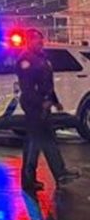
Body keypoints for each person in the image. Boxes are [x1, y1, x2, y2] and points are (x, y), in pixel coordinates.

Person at [17, 29, 80, 192]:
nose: (41, 43)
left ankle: (48, 176)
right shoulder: (25, 60)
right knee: (40, 141)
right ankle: (46, 176)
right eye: (37, 41)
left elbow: (47, 84)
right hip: (34, 106)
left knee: (41, 140)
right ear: (29, 41)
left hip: (44, 105)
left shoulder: (42, 58)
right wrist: (41, 103)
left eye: (41, 41)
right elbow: (27, 88)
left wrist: (54, 101)